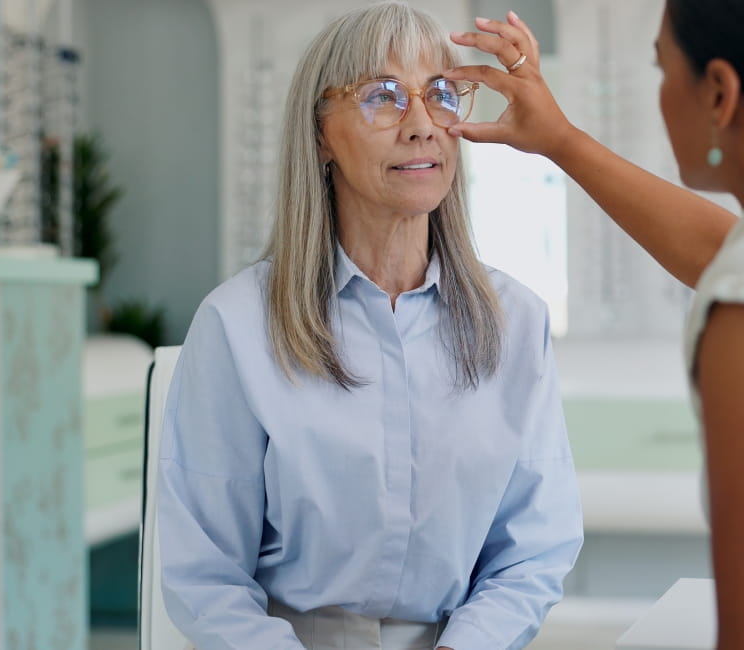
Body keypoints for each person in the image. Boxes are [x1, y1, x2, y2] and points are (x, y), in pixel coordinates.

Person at [446, 2, 744, 649]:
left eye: (662, 69)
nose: (662, 94)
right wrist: (558, 139)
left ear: (720, 93)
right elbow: (726, 249)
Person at [157, 3, 583, 649]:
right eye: (382, 96)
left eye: (440, 94)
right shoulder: (236, 324)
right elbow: (206, 576)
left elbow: (533, 550)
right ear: (321, 134)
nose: (421, 127)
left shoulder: (515, 321)